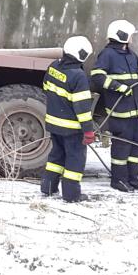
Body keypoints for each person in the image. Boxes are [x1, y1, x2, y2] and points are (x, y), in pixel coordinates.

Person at [92, 19, 138, 192]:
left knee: (137, 145)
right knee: (121, 147)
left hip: (136, 112)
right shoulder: (107, 54)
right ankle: (118, 180)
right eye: (131, 35)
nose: (132, 38)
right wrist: (118, 87)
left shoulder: (130, 54)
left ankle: (133, 179)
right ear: (123, 35)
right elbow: (97, 76)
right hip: (120, 112)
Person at [41, 35, 97, 203]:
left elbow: (45, 88)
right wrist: (88, 131)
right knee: (75, 161)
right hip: (72, 129)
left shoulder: (53, 66)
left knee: (56, 157)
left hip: (53, 124)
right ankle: (72, 195)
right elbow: (82, 108)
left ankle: (48, 188)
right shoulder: (78, 76)